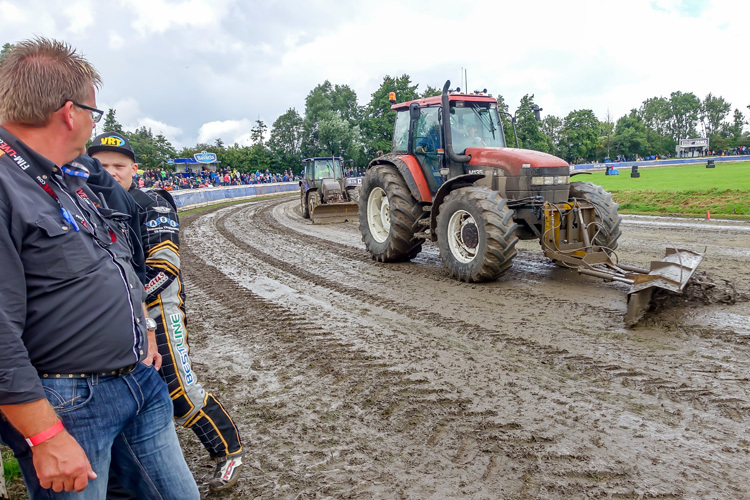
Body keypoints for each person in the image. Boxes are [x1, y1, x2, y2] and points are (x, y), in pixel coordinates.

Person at [0, 38, 199, 499]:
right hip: (69, 404)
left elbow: (115, 260)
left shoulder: (70, 176)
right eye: (94, 112)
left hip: (138, 383)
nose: (93, 124)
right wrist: (45, 436)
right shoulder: (8, 185)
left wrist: (143, 326)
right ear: (70, 112)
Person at [88, 132, 245, 492]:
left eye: (119, 165)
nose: (111, 172)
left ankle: (228, 451)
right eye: (102, 165)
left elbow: (165, 266)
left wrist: (121, 300)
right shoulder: (87, 205)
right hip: (116, 316)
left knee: (178, 388)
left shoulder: (151, 203)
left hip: (161, 308)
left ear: (134, 169)